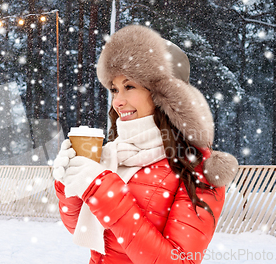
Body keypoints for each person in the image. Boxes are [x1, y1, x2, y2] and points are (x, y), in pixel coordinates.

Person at [52, 25, 239, 264]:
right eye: (114, 89)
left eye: (129, 86)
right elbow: (81, 229)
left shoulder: (196, 167)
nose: (118, 101)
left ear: (164, 94)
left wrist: (102, 189)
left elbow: (179, 260)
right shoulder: (113, 153)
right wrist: (68, 182)